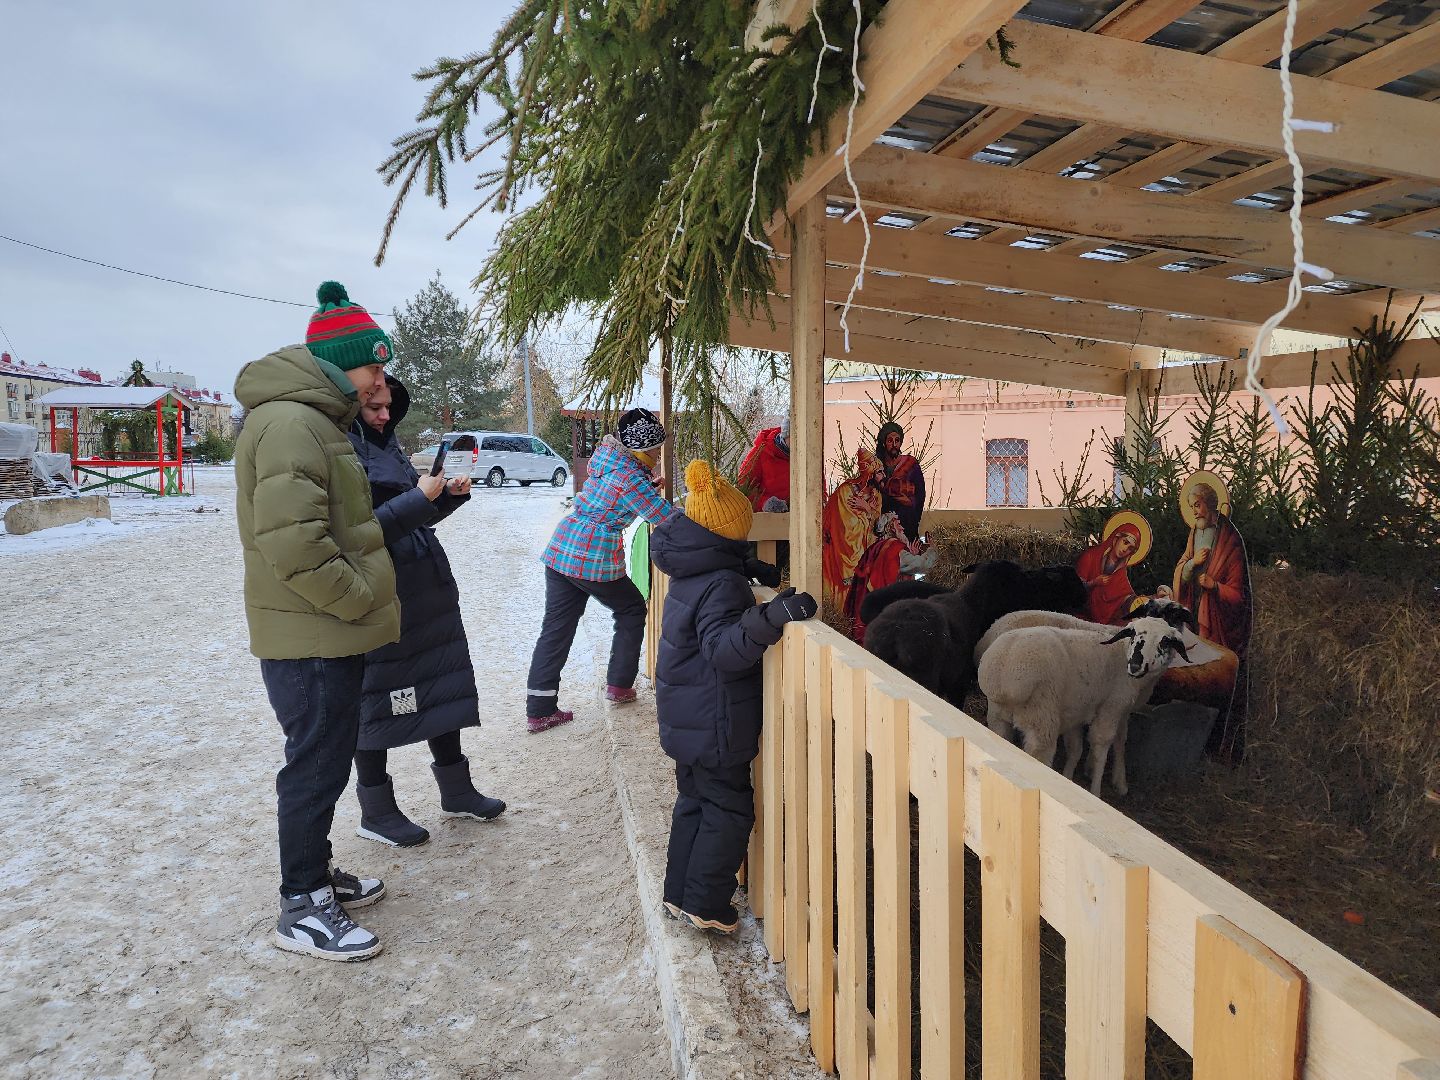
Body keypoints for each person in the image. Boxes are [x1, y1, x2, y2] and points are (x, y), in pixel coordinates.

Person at [234, 280, 399, 962]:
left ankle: (314, 875)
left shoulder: (313, 419)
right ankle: (301, 905)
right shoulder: (292, 424)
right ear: (340, 364)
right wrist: (358, 597)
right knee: (313, 766)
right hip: (311, 635)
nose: (381, 382)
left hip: (321, 631)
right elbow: (294, 543)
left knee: (327, 762)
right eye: (374, 368)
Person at [650, 460, 817, 933]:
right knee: (727, 810)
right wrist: (770, 617)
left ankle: (678, 894)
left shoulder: (692, 567)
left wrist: (746, 569)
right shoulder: (721, 584)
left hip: (688, 717)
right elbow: (724, 650)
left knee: (694, 803)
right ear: (726, 537)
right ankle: (707, 905)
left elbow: (713, 595)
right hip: (715, 720)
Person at [347, 375, 506, 848]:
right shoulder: (337, 449)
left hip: (422, 586)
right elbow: (360, 533)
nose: (383, 415)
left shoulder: (384, 443)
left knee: (441, 685)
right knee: (374, 698)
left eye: (388, 407)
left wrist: (446, 496)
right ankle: (375, 811)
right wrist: (419, 498)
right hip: (378, 590)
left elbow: (410, 516)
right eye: (373, 406)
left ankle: (456, 791)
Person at [525, 407, 678, 733]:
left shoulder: (611, 462)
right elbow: (665, 518)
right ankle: (620, 685)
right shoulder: (630, 478)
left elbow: (617, 491)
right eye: (654, 449)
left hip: (561, 551)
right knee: (632, 608)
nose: (657, 454)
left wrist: (648, 485)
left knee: (556, 629)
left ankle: (539, 709)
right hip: (590, 557)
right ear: (641, 448)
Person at [1172, 482, 1251, 656]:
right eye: (1192, 507)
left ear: (1209, 502)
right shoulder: (1194, 532)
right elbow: (1182, 567)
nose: (1194, 512)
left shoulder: (1230, 538)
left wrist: (1214, 585)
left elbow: (1239, 595)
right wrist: (1193, 563)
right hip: (1194, 607)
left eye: (1197, 505)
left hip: (1218, 619)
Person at [842, 510, 936, 640]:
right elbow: (922, 565)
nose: (902, 528)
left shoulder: (876, 547)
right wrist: (933, 549)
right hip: (884, 611)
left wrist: (911, 555)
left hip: (869, 608)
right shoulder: (893, 548)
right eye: (898, 524)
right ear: (890, 527)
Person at [821, 447, 884, 610]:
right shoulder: (846, 491)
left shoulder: (876, 496)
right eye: (879, 472)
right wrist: (866, 516)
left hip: (867, 554)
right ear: (869, 472)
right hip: (846, 555)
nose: (883, 477)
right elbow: (844, 528)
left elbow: (879, 526)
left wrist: (867, 510)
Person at [1075, 522, 1144, 626]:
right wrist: (1094, 582)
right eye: (1125, 542)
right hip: (1084, 618)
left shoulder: (1121, 571)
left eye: (1130, 548)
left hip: (1108, 623)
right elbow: (1074, 589)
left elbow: (1126, 597)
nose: (1125, 549)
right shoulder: (1090, 557)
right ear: (1116, 538)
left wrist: (1140, 601)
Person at [875, 421, 926, 542]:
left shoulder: (911, 464)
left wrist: (885, 485)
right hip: (882, 527)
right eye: (890, 441)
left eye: (897, 440)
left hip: (906, 524)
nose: (894, 444)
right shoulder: (877, 466)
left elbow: (918, 495)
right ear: (884, 443)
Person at [737, 418, 791, 512]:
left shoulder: (809, 456)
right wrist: (765, 503)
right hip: (765, 520)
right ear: (786, 435)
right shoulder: (761, 452)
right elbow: (743, 489)